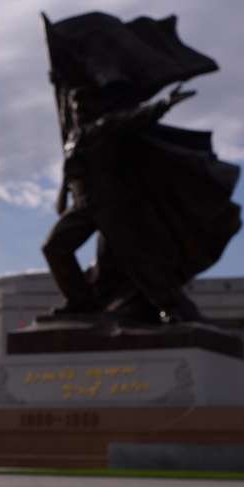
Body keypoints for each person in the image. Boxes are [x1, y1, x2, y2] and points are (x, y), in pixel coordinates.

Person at [42, 85, 205, 322]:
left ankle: (170, 305)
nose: (82, 112)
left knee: (134, 256)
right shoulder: (72, 139)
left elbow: (134, 118)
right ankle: (79, 301)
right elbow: (68, 176)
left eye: (87, 106)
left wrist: (164, 103)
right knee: (53, 247)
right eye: (78, 108)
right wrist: (62, 197)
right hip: (82, 204)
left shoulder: (105, 127)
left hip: (109, 202)